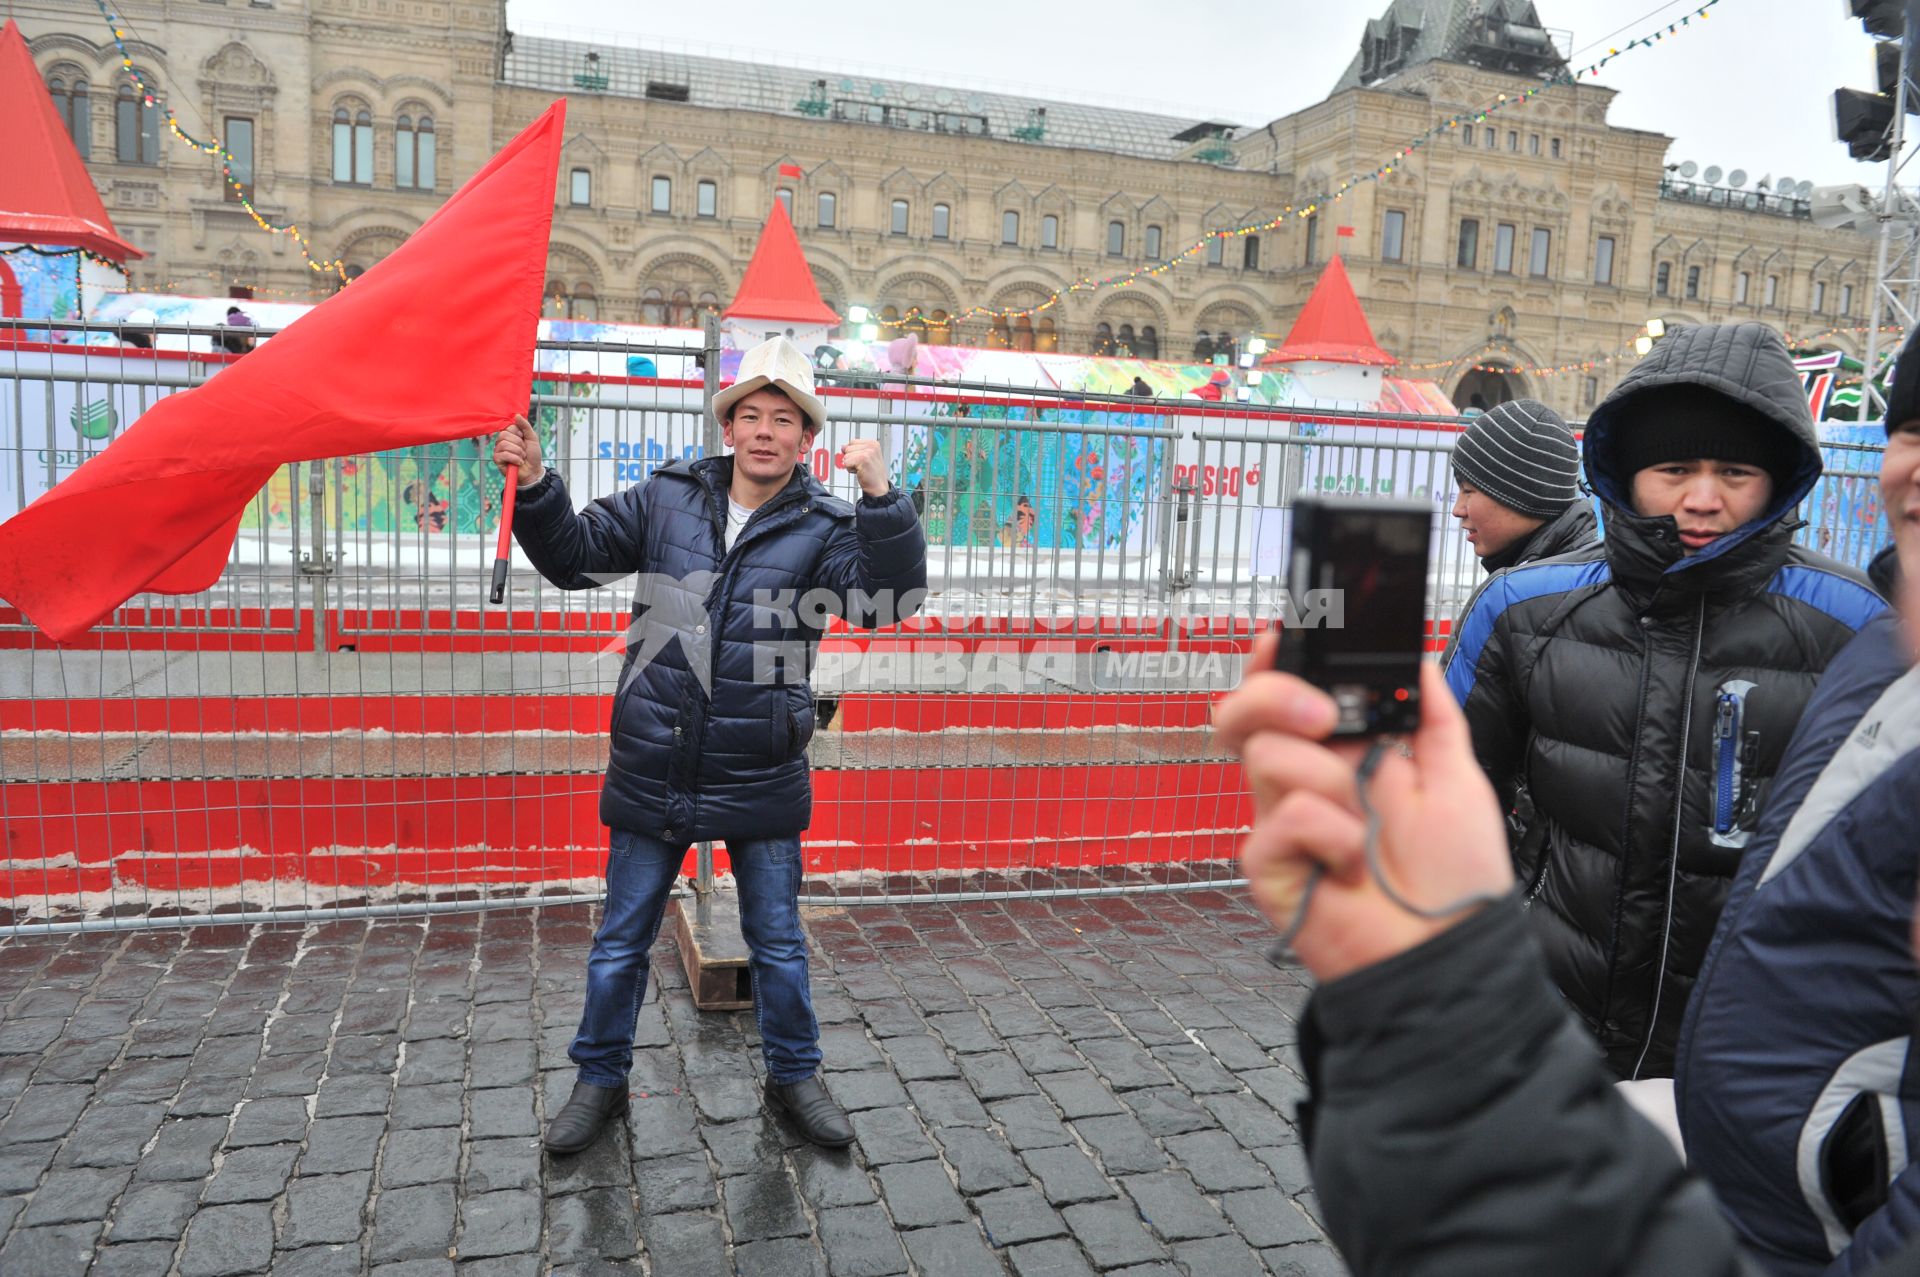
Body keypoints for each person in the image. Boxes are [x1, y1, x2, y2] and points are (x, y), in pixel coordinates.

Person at [494, 335, 928, 1154]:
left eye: (785, 419)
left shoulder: (829, 525)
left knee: (778, 943)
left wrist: (881, 497)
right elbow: (576, 557)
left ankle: (795, 1076)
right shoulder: (667, 499)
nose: (765, 431)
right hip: (655, 754)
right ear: (729, 427)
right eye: (751, 415)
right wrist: (540, 484)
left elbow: (887, 600)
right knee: (620, 940)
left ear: (807, 439)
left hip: (759, 762)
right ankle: (599, 1079)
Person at [1442, 322, 1885, 1079]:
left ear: (1778, 478)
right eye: (1675, 467)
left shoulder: (1859, 630)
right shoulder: (1521, 608)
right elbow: (1442, 802)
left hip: (1750, 1054)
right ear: (1627, 471)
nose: (1703, 499)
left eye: (1736, 472)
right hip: (1554, 1027)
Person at [1674, 328, 1920, 1276]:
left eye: (1734, 468)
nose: (1702, 497)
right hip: (1742, 1181)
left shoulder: (1840, 616)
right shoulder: (1881, 646)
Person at [1448, 397, 1595, 572]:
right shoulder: (1560, 576)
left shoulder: (1538, 592)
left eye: (1467, 490)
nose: (1457, 510)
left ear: (1526, 498)